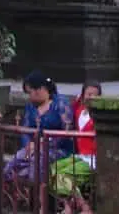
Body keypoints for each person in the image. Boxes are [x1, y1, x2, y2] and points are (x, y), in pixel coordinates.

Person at [3, 71, 74, 184]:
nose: (28, 96)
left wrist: (43, 144)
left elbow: (66, 132)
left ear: (40, 89)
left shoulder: (60, 103)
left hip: (57, 148)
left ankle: (36, 197)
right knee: (10, 167)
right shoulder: (30, 107)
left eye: (29, 92)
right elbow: (25, 130)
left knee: (36, 165)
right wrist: (28, 145)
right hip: (32, 148)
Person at [51, 81, 101, 214]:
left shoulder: (100, 116)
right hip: (79, 155)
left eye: (96, 96)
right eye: (89, 94)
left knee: (63, 175)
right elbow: (70, 109)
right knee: (51, 170)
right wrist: (78, 100)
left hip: (92, 159)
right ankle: (68, 206)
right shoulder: (79, 110)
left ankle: (84, 208)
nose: (92, 98)